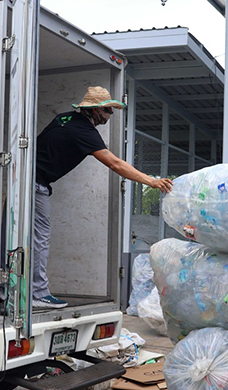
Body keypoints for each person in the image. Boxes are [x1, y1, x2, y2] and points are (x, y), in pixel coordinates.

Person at [32, 86, 173, 309]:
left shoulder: (64, 118)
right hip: (36, 185)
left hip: (25, 181)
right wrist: (151, 181)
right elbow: (115, 163)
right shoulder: (84, 131)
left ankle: (5, 291)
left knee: (17, 237)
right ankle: (37, 293)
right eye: (109, 110)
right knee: (39, 238)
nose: (110, 115)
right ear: (96, 111)